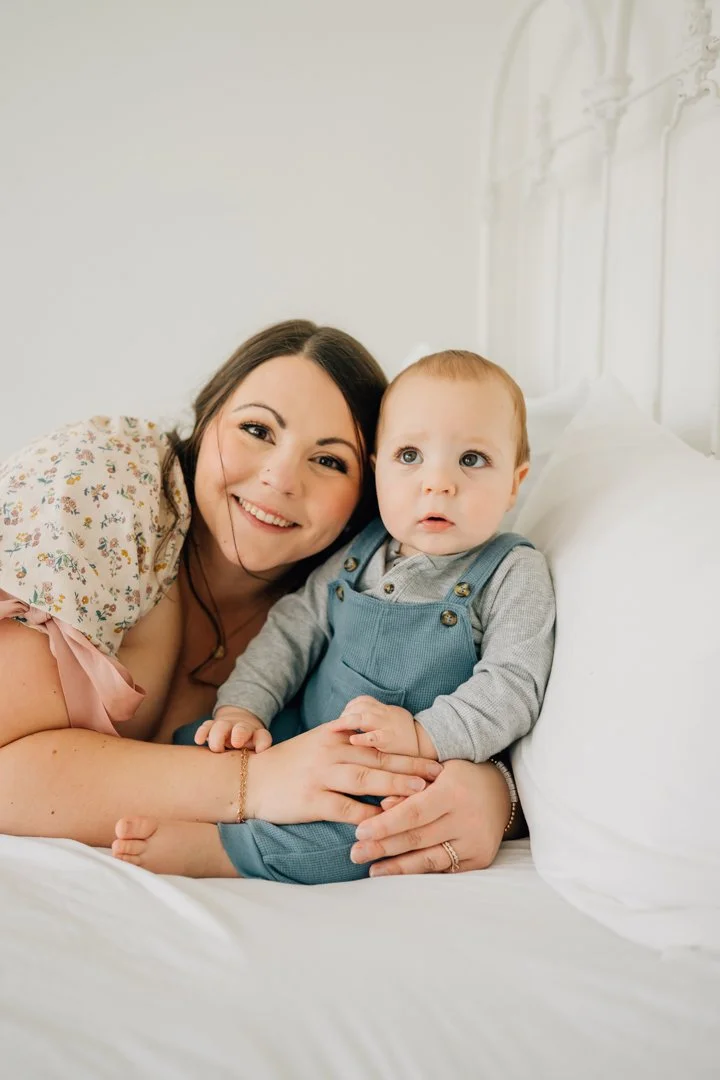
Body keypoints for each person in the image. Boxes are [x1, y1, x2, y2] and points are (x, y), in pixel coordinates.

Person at [0, 321, 520, 875]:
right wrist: (255, 781)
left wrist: (497, 800)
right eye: (257, 429)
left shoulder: (359, 591)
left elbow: (487, 694)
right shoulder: (115, 500)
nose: (280, 478)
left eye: (329, 461)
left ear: (367, 492)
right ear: (206, 419)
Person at [112, 350, 554, 883]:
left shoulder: (511, 572)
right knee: (201, 746)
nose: (438, 483)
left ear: (514, 482)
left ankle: (224, 852)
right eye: (410, 456)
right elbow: (290, 635)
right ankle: (204, 797)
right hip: (302, 734)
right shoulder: (361, 552)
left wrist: (422, 736)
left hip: (393, 770)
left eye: (472, 460)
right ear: (377, 473)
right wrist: (243, 709)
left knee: (367, 835)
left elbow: (512, 686)